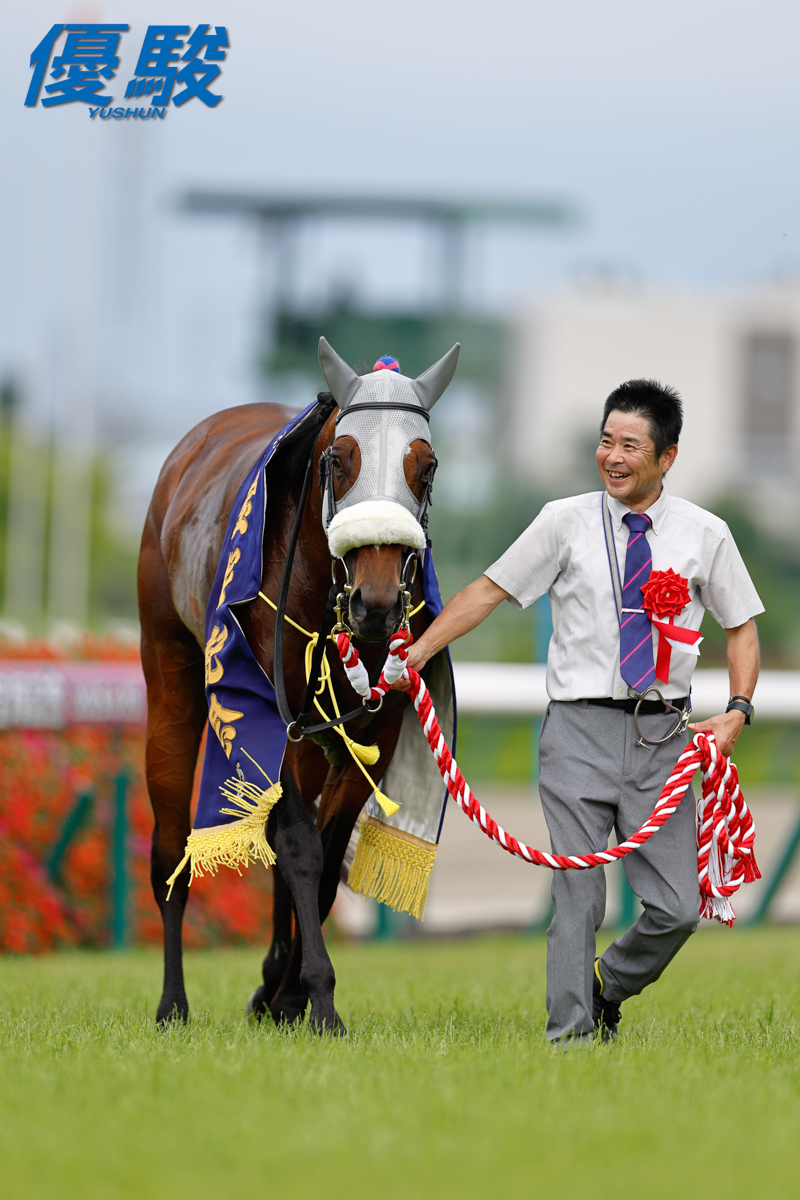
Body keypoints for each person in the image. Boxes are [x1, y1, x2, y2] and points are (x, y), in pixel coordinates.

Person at [397, 379, 763, 1045]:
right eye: (606, 441)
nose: (613, 456)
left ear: (667, 457)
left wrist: (738, 710)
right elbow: (488, 589)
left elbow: (741, 628)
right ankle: (569, 1038)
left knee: (678, 909)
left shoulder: (705, 534)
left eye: (631, 445)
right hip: (576, 734)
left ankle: (604, 988)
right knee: (579, 897)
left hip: (665, 740)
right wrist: (418, 651)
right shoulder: (562, 521)